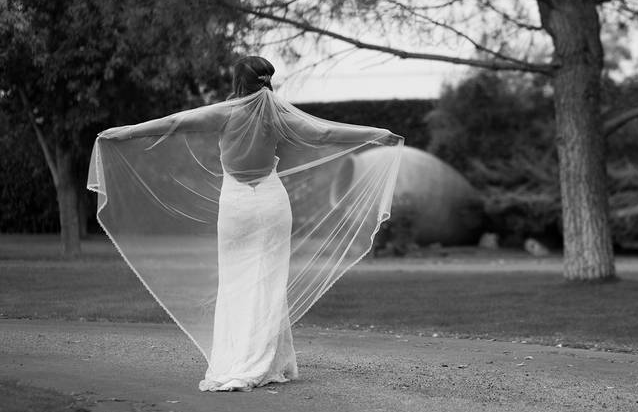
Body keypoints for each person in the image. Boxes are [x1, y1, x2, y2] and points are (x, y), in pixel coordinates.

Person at [90, 56, 403, 392]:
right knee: (269, 282)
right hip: (271, 203)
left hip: (237, 205)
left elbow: (173, 123)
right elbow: (325, 132)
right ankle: (268, 360)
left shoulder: (224, 113)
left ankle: (238, 357)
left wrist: (123, 133)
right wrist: (377, 134)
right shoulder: (278, 113)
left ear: (237, 80)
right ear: (266, 81)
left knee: (235, 282)